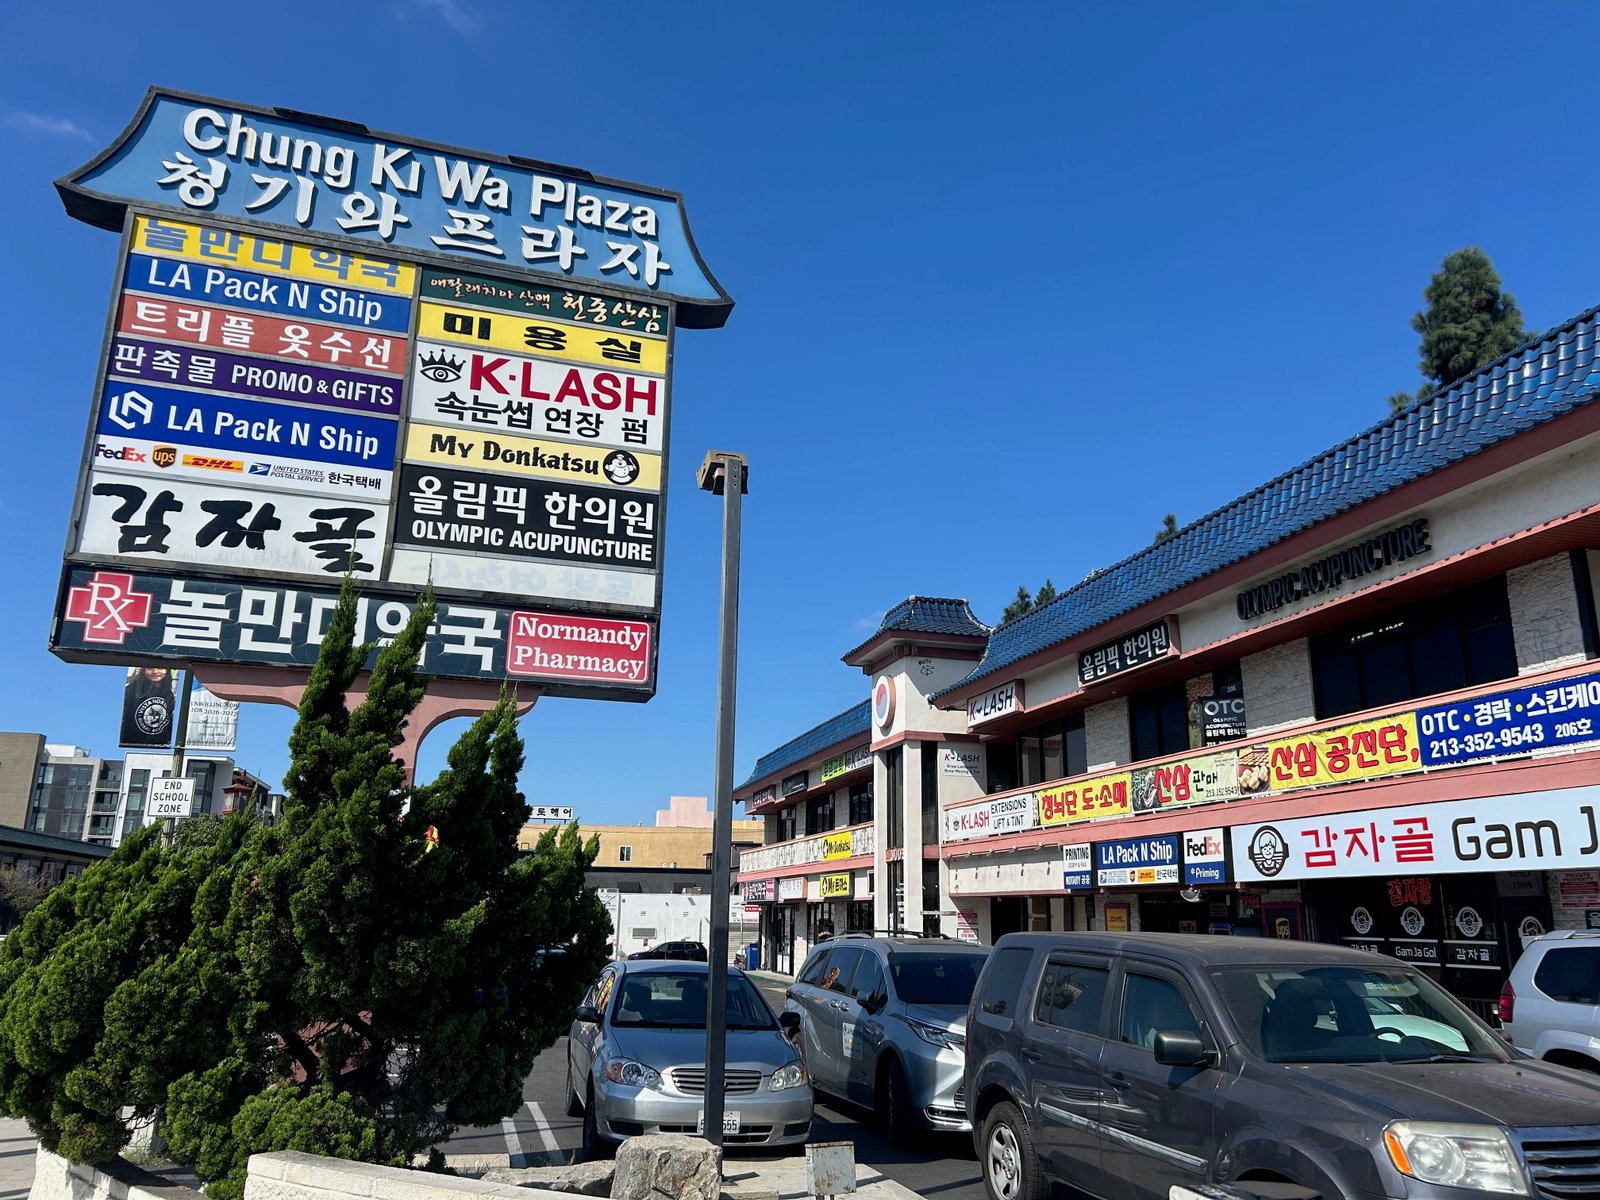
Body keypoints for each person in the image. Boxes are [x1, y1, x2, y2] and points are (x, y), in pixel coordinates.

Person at [120, 665, 176, 748]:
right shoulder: (131, 690)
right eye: (150, 668)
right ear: (144, 670)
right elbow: (123, 718)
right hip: (132, 742)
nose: (155, 671)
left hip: (158, 745)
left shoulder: (169, 694)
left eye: (160, 668)